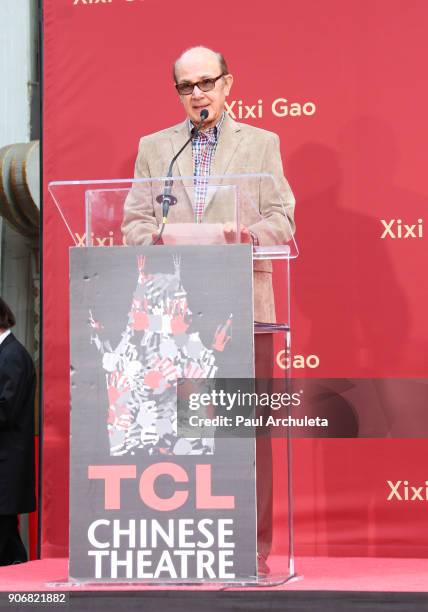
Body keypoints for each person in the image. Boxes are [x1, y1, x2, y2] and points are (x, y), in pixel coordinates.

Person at [122, 46, 296, 574]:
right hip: (173, 312)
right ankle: (185, 543)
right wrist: (157, 236)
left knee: (246, 434)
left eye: (205, 83)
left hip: (245, 306)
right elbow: (131, 220)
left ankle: (253, 548)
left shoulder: (262, 144)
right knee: (178, 431)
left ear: (227, 85)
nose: (197, 94)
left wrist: (243, 235)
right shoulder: (157, 149)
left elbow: (283, 221)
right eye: (185, 86)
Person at [0, 298, 36, 565]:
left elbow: (6, 409)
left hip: (7, 460)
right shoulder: (9, 353)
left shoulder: (12, 356)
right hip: (6, 460)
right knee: (8, 538)